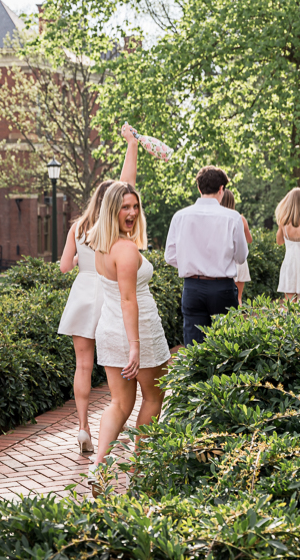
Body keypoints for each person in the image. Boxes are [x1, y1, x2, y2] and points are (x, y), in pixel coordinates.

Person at [57, 124, 138, 454]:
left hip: (81, 295)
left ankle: (83, 428)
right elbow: (128, 181)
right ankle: (119, 418)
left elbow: (64, 266)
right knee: (116, 365)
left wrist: (80, 259)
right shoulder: (112, 228)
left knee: (83, 366)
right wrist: (131, 145)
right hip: (107, 295)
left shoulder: (78, 226)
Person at [87, 182, 171, 482]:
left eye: (135, 206)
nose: (132, 212)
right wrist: (135, 346)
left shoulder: (100, 245)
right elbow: (128, 299)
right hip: (139, 331)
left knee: (119, 403)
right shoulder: (125, 248)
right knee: (153, 397)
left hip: (110, 330)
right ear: (112, 210)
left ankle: (98, 465)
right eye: (125, 207)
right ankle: (139, 468)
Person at [165, 166, 248, 345]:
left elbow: (169, 256)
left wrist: (191, 262)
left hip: (192, 287)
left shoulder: (180, 216)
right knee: (226, 346)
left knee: (194, 348)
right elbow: (241, 257)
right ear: (221, 189)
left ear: (199, 188)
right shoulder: (233, 217)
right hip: (222, 288)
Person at [219, 190, 252, 305]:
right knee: (238, 297)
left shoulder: (219, 218)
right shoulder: (240, 218)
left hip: (224, 259)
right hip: (240, 260)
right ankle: (239, 316)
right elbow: (249, 240)